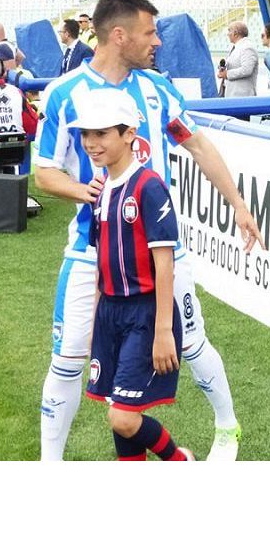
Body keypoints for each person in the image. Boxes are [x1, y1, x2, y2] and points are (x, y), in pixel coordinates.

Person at [35, 0, 263, 462]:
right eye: (149, 32)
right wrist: (86, 192)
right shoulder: (64, 94)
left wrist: (238, 203)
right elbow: (44, 172)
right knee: (68, 357)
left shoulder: (157, 91)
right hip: (91, 253)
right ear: (119, 36)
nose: (157, 41)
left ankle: (228, 428)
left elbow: (198, 146)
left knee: (191, 343)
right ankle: (49, 465)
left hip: (161, 252)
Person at [71, 88, 193, 461]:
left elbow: (165, 263)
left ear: (129, 134)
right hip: (110, 313)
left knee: (122, 417)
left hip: (145, 313)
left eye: (102, 133)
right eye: (86, 134)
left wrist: (162, 330)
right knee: (120, 409)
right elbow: (101, 261)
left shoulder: (149, 187)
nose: (91, 143)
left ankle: (180, 461)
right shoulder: (99, 190)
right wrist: (97, 322)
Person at [218, 21, 258, 106]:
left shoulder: (247, 48)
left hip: (242, 98)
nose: (227, 34)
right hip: (233, 96)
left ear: (235, 33)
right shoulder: (237, 47)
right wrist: (223, 69)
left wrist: (227, 74)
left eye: (229, 31)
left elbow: (247, 70)